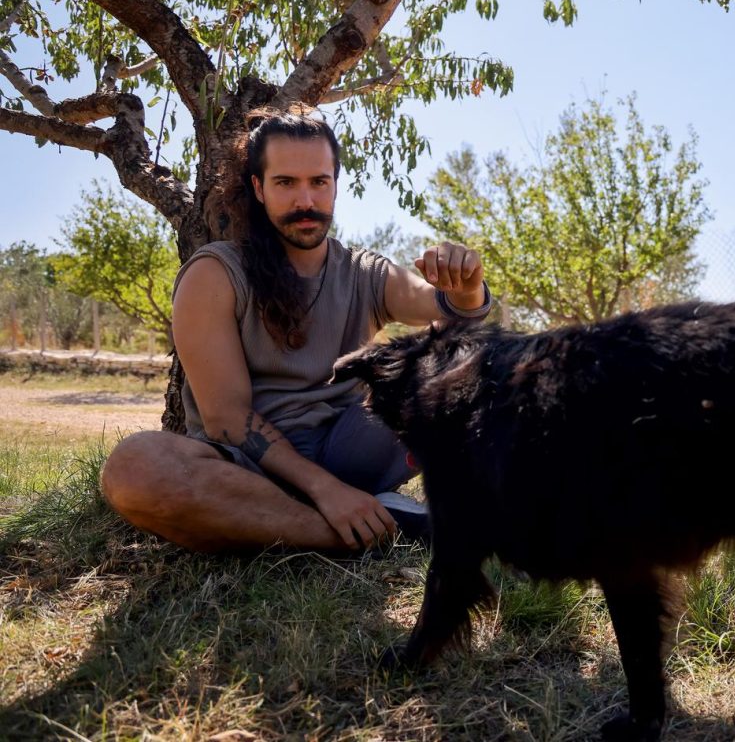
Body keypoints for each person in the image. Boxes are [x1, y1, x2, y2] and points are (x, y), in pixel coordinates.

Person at [99, 104, 492, 553]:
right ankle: (370, 529)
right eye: (286, 183)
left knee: (481, 371)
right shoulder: (215, 273)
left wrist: (467, 286)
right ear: (258, 188)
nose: (305, 201)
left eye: (318, 182)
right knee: (134, 469)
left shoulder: (364, 271)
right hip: (247, 474)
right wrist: (327, 492)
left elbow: (446, 308)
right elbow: (226, 421)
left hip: (355, 454)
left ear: (335, 186)